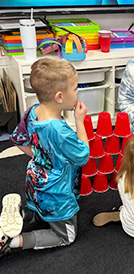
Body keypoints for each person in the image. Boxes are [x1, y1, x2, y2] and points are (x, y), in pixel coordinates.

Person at [0, 57, 89, 257]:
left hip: (34, 179)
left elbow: (19, 139)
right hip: (56, 193)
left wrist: (41, 157)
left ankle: (24, 214)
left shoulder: (32, 111)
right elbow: (82, 155)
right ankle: (14, 241)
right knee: (66, 236)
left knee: (40, 212)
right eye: (75, 88)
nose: (77, 92)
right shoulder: (59, 130)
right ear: (59, 96)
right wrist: (80, 122)